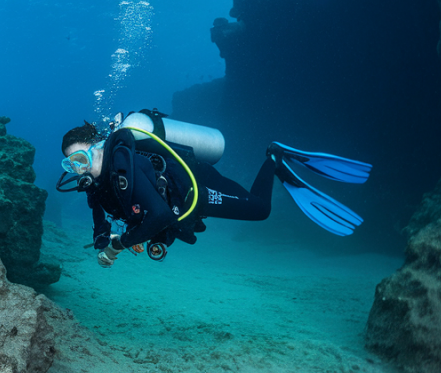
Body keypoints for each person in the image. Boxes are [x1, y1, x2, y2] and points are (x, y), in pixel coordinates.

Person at [57, 110, 371, 267]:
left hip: (197, 189)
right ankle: (278, 163)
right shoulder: (96, 182)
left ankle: (275, 158)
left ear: (98, 148)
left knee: (259, 209)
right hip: (179, 197)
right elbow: (101, 212)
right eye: (72, 165)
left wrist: (119, 245)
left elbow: (162, 214)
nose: (80, 170)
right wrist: (102, 239)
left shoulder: (124, 164)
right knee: (252, 203)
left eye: (82, 158)